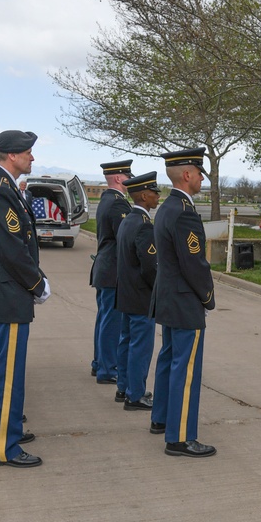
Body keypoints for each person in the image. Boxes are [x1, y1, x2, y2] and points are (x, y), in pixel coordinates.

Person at [0, 130, 50, 468]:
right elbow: (13, 251)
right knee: (6, 376)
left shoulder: (1, 188)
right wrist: (37, 283)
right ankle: (5, 448)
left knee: (0, 371)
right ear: (12, 156)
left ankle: (8, 429)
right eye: (28, 153)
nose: (32, 158)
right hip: (6, 297)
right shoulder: (0, 192)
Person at [149, 147, 216, 458]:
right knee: (186, 369)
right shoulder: (184, 212)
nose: (202, 177)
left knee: (169, 361)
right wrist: (208, 296)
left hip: (167, 296)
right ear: (187, 175)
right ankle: (180, 438)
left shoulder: (166, 207)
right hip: (184, 300)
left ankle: (162, 418)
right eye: (199, 172)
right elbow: (195, 264)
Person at [115, 172, 160, 410]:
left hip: (126, 293)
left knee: (126, 342)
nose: (158, 196)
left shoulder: (127, 220)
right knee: (140, 348)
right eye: (154, 192)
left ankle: (124, 387)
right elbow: (150, 267)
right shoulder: (144, 226)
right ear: (144, 195)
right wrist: (159, 291)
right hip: (141, 295)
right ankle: (135, 394)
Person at [90, 160, 133, 385]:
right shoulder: (117, 204)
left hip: (105, 268)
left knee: (104, 318)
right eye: (127, 176)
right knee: (111, 321)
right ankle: (108, 368)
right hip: (112, 269)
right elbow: (125, 238)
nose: (129, 180)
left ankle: (100, 363)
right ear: (118, 178)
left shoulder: (107, 199)